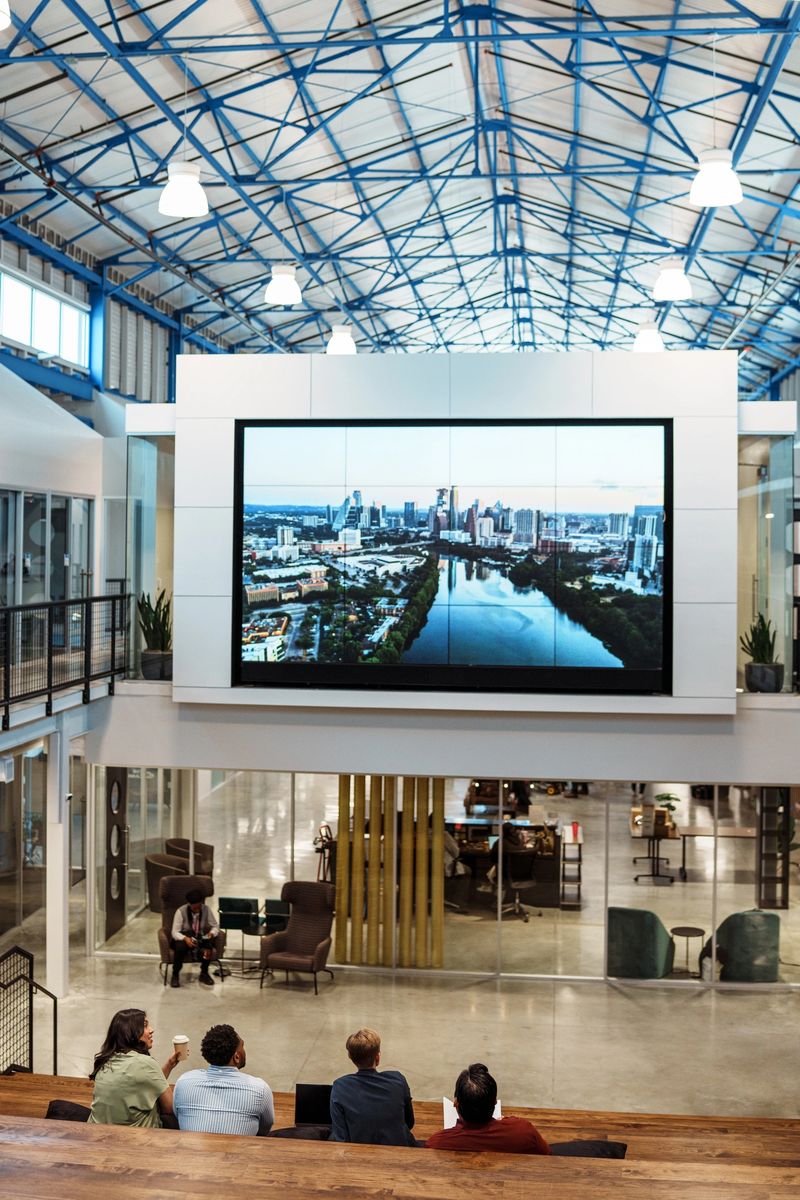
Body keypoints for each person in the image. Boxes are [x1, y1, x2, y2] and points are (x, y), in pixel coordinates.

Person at [173, 1023, 274, 1135]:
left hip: (191, 1152)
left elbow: (179, 1117)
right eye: (242, 1046)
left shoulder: (183, 1082)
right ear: (236, 1057)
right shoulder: (260, 1089)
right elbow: (265, 1128)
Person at [426, 1063, 550, 1154]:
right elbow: (547, 1154)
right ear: (495, 1103)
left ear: (456, 1104)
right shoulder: (524, 1132)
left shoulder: (437, 1144)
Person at [88, 1008, 179, 1128]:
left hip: (97, 1133)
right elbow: (170, 1108)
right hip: (132, 1139)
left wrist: (169, 1065)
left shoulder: (106, 1060)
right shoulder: (146, 1064)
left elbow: (145, 1082)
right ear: (131, 1032)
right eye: (145, 1026)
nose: (151, 1030)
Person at [330, 1027, 416, 1146]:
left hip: (359, 1153)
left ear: (350, 1057)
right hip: (398, 1149)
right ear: (377, 1057)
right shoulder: (397, 1080)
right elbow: (409, 1122)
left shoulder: (340, 1086)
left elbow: (341, 1135)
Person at [171, 886, 220, 987]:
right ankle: (175, 975)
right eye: (195, 907)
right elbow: (174, 932)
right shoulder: (181, 911)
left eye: (199, 906)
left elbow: (215, 926)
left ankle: (204, 973)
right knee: (180, 948)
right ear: (189, 904)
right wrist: (185, 938)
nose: (197, 909)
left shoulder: (206, 909)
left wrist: (212, 933)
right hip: (184, 937)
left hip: (199, 936)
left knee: (207, 948)